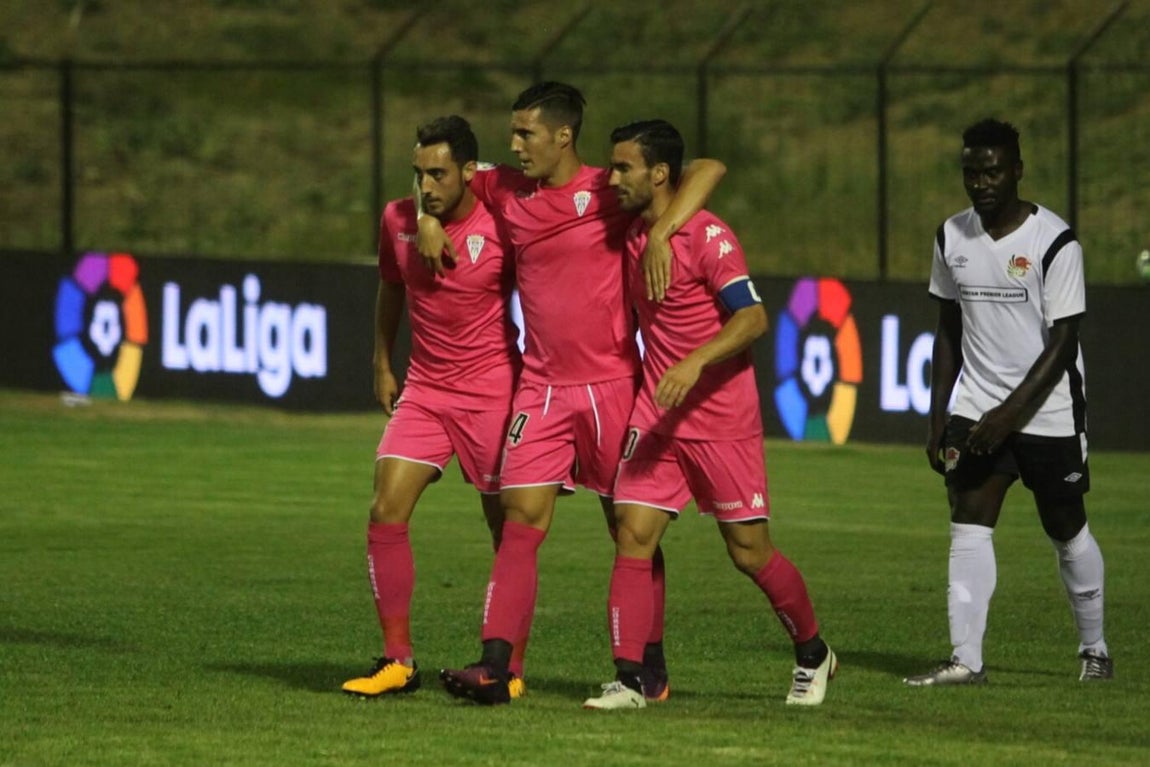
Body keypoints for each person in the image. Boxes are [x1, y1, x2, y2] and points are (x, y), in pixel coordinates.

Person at [425, 83, 727, 705]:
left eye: (525, 134)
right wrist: (427, 218)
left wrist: (666, 232)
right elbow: (436, 176)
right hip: (539, 390)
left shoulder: (608, 188)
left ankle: (651, 665)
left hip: (614, 387)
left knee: (630, 531)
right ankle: (496, 666)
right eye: (513, 134)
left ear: (563, 135)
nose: (514, 146)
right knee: (520, 521)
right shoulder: (503, 186)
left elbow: (708, 168)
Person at [579, 119, 836, 710]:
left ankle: (813, 652)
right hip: (658, 412)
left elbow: (753, 319)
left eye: (623, 168)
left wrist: (694, 362)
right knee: (632, 534)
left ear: (659, 174)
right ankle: (631, 679)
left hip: (720, 416)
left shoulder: (709, 235)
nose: (612, 178)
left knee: (748, 552)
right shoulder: (635, 232)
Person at [905, 118, 1112, 687]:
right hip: (977, 405)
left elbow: (1063, 342)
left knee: (1066, 527)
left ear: (1017, 170)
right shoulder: (951, 237)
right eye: (971, 172)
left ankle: (1094, 648)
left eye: (992, 171)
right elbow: (948, 330)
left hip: (1047, 411)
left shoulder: (1055, 242)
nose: (981, 182)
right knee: (967, 521)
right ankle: (965, 660)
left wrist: (1009, 416)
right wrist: (938, 416)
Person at [341, 115, 528, 698]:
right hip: (426, 388)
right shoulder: (397, 218)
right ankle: (398, 661)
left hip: (494, 391)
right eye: (419, 173)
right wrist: (381, 361)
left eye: (439, 174)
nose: (426, 186)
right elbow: (391, 287)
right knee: (385, 508)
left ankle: (508, 668)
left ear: (470, 173)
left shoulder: (502, 220)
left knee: (509, 530)